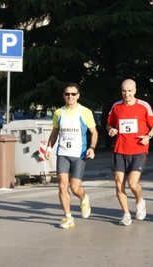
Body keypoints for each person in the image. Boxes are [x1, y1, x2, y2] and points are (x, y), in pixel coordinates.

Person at [106, 79, 153, 226]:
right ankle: (126, 214)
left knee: (132, 183)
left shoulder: (143, 106)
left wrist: (148, 137)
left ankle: (139, 200)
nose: (126, 94)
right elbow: (109, 123)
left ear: (135, 91)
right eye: (124, 90)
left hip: (138, 149)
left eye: (129, 91)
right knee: (118, 184)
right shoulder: (116, 106)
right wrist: (110, 129)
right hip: (120, 149)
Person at [45, 83, 98, 229]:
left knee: (75, 188)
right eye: (67, 94)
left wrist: (92, 148)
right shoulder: (58, 113)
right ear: (64, 95)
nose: (70, 96)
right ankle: (68, 217)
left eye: (73, 94)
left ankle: (83, 198)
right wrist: (49, 148)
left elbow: (94, 132)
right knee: (62, 186)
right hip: (62, 153)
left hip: (78, 154)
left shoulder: (85, 112)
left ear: (78, 96)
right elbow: (55, 132)